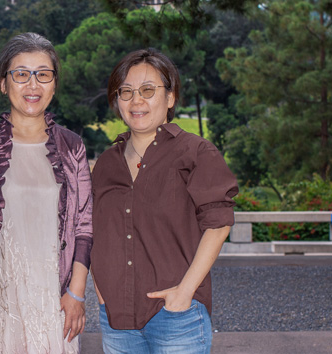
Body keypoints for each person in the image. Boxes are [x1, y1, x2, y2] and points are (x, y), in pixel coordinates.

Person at [91, 48, 239, 354]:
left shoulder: (195, 153)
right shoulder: (106, 163)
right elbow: (93, 232)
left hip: (176, 317)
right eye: (126, 92)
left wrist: (185, 292)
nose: (136, 101)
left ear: (170, 98)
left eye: (148, 90)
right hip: (117, 319)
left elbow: (218, 224)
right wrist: (100, 290)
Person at [0, 32, 93, 354]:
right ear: (3, 83)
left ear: (54, 83)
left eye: (43, 75)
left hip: (53, 297)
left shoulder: (72, 147)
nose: (33, 85)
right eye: (21, 74)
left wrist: (76, 294)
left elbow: (84, 226)